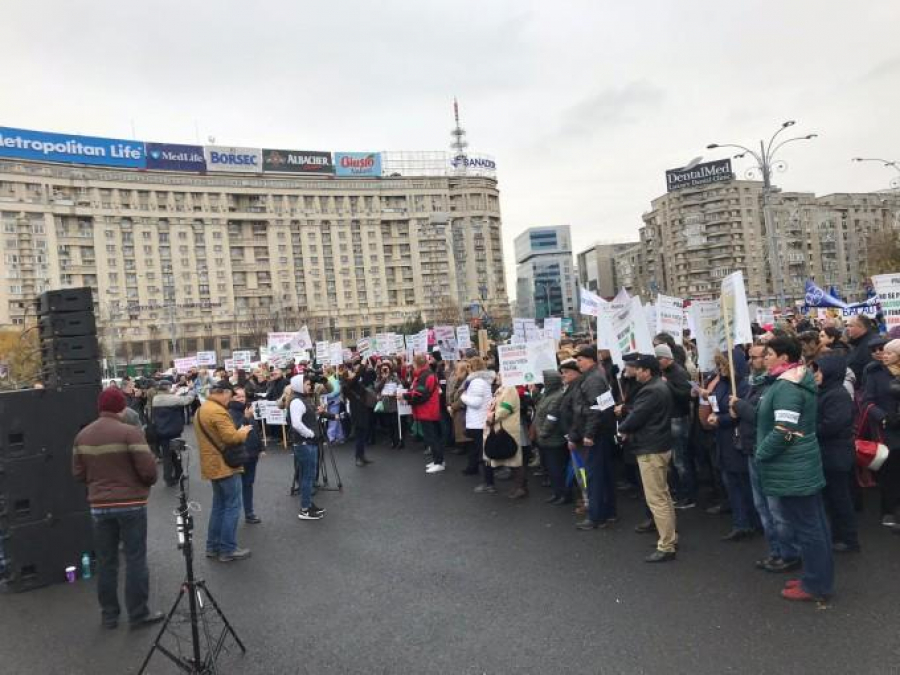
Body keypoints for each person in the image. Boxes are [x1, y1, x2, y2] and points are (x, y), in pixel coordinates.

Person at [72, 388, 162, 630]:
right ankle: (138, 614)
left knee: (106, 561)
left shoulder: (83, 436)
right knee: (135, 559)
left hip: (99, 506)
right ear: (121, 408)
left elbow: (78, 474)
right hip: (131, 504)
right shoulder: (130, 432)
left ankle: (109, 616)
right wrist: (141, 485)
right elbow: (149, 471)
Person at [755, 336, 833, 601]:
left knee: (809, 528)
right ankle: (815, 578)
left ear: (783, 358)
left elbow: (786, 431)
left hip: (793, 467)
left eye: (768, 354)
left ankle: (816, 585)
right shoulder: (789, 381)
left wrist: (762, 453)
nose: (764, 358)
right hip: (798, 464)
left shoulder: (787, 386)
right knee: (813, 525)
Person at [730, 342, 800, 573]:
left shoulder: (779, 386)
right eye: (751, 357)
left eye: (761, 356)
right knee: (763, 507)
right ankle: (776, 551)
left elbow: (764, 419)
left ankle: (789, 553)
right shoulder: (758, 383)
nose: (754, 361)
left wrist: (739, 407)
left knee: (777, 509)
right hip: (752, 449)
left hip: (768, 454)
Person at [616, 354, 678, 563]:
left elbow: (637, 416)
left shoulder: (651, 390)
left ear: (647, 371)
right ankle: (669, 536)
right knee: (664, 495)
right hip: (659, 444)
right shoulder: (658, 386)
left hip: (651, 447)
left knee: (657, 498)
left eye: (638, 368)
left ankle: (667, 545)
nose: (635, 372)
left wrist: (623, 428)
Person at [195, 382, 253, 562]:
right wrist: (243, 430)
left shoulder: (201, 409)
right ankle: (228, 548)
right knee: (232, 506)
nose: (231, 399)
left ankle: (212, 546)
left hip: (212, 464)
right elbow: (232, 437)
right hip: (225, 465)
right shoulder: (218, 411)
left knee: (219, 506)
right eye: (231, 395)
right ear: (224, 393)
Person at [706, 351, 757, 541]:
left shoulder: (743, 386)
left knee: (742, 484)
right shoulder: (722, 384)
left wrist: (721, 419)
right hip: (723, 439)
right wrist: (715, 416)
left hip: (737, 440)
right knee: (732, 483)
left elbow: (740, 414)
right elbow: (719, 407)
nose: (720, 369)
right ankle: (741, 521)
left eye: (724, 365)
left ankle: (748, 522)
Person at [812, 353, 860, 552]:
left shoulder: (837, 394)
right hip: (828, 453)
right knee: (832, 498)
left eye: (819, 370)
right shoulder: (824, 391)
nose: (816, 374)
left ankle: (848, 539)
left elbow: (831, 425)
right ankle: (836, 535)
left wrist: (808, 430)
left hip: (836, 454)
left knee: (840, 498)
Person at [570, 345, 617, 530]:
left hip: (596, 435)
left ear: (590, 359)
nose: (578, 363)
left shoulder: (594, 380)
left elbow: (597, 409)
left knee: (595, 476)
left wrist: (589, 433)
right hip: (600, 432)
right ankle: (608, 512)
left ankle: (596, 517)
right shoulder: (595, 376)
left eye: (580, 360)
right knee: (603, 474)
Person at [656, 343, 695, 509]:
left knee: (680, 460)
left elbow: (686, 396)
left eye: (658, 359)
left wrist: (667, 385)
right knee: (674, 460)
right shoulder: (665, 372)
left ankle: (688, 496)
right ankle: (680, 492)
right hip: (670, 418)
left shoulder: (678, 372)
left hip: (678, 418)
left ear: (666, 358)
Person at [288, 375, 327, 520]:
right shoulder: (297, 401)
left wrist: (317, 413)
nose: (310, 386)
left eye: (310, 384)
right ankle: (305, 509)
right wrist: (310, 434)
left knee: (309, 475)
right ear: (299, 385)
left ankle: (308, 504)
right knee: (307, 476)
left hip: (308, 443)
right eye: (307, 384)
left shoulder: (301, 399)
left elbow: (306, 419)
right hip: (305, 443)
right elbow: (296, 424)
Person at [402, 354, 445, 474]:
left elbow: (419, 394)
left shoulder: (425, 375)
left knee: (432, 437)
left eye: (414, 364)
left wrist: (404, 396)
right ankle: (438, 460)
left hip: (427, 410)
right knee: (433, 436)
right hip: (428, 410)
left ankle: (439, 462)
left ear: (417, 364)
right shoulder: (426, 374)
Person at [485, 373, 526, 498]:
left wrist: (492, 418)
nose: (497, 376)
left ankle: (521, 487)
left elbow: (506, 408)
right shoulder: (502, 389)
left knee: (515, 459)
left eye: (499, 374)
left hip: (507, 429)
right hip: (502, 428)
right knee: (511, 460)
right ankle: (520, 487)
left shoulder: (510, 389)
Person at [148, 380, 196, 487]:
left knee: (168, 454)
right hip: (173, 431)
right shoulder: (171, 398)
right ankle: (170, 477)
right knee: (174, 454)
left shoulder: (156, 398)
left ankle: (177, 474)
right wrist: (192, 389)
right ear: (167, 387)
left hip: (161, 431)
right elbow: (187, 400)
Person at [533, 369, 569, 505]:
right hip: (545, 439)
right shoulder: (547, 394)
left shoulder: (558, 396)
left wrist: (543, 433)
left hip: (553, 439)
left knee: (557, 468)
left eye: (545, 380)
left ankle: (564, 494)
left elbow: (551, 417)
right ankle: (557, 492)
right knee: (551, 468)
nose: (543, 382)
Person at [228, 387, 263, 525]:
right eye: (238, 397)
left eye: (243, 396)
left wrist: (261, 447)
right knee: (237, 487)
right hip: (239, 454)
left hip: (252, 454)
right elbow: (235, 431)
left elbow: (255, 430)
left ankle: (249, 513)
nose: (241, 399)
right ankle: (234, 516)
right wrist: (246, 418)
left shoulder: (246, 410)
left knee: (248, 484)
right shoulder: (230, 413)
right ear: (231, 398)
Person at [875, 339, 900, 528]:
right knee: (889, 471)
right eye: (884, 352)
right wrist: (883, 417)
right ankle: (888, 511)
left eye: (890, 353)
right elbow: (867, 400)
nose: (885, 355)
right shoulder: (875, 374)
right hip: (887, 429)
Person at [461, 356, 496, 490]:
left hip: (478, 423)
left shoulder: (477, 382)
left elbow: (475, 403)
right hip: (480, 421)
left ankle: (488, 483)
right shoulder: (482, 381)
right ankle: (488, 482)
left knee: (484, 454)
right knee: (482, 453)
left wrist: (463, 396)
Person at [343, 361, 375, 467]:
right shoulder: (347, 386)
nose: (352, 373)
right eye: (350, 373)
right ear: (347, 377)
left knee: (363, 434)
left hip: (363, 409)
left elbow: (366, 377)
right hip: (356, 411)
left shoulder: (356, 383)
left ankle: (362, 456)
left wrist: (367, 366)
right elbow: (358, 375)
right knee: (359, 435)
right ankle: (358, 457)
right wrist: (361, 363)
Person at [447, 360, 472, 460]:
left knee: (465, 432)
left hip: (463, 410)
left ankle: (466, 450)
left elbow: (462, 398)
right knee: (460, 430)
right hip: (457, 409)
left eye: (457, 370)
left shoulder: (467, 382)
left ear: (463, 371)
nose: (455, 372)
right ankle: (463, 448)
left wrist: (452, 407)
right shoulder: (459, 380)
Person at [845, 314, 880, 385]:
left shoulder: (873, 343)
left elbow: (873, 370)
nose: (847, 328)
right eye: (847, 326)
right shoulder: (857, 342)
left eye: (851, 326)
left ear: (862, 327)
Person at [374, 363, 402, 449]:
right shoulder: (379, 378)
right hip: (385, 403)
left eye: (386, 368)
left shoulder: (394, 378)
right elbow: (377, 388)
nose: (385, 370)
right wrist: (383, 379)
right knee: (388, 424)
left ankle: (397, 440)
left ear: (390, 369)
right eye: (383, 369)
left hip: (393, 402)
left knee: (394, 423)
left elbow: (400, 386)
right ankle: (392, 440)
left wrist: (396, 392)